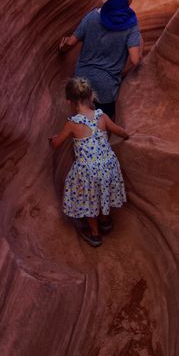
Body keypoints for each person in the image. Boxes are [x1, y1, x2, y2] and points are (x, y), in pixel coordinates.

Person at [49, 77, 130, 247]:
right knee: (103, 192)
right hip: (108, 165)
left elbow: (56, 144)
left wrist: (53, 140)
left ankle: (95, 234)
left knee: (88, 200)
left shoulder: (72, 124)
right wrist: (127, 135)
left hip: (88, 170)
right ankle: (106, 222)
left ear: (69, 101)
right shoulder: (102, 116)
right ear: (90, 96)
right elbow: (119, 131)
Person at [58, 0, 142, 120]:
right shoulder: (131, 25)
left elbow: (71, 43)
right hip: (106, 87)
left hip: (81, 82)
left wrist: (62, 48)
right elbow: (135, 60)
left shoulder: (92, 16)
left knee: (81, 123)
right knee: (104, 124)